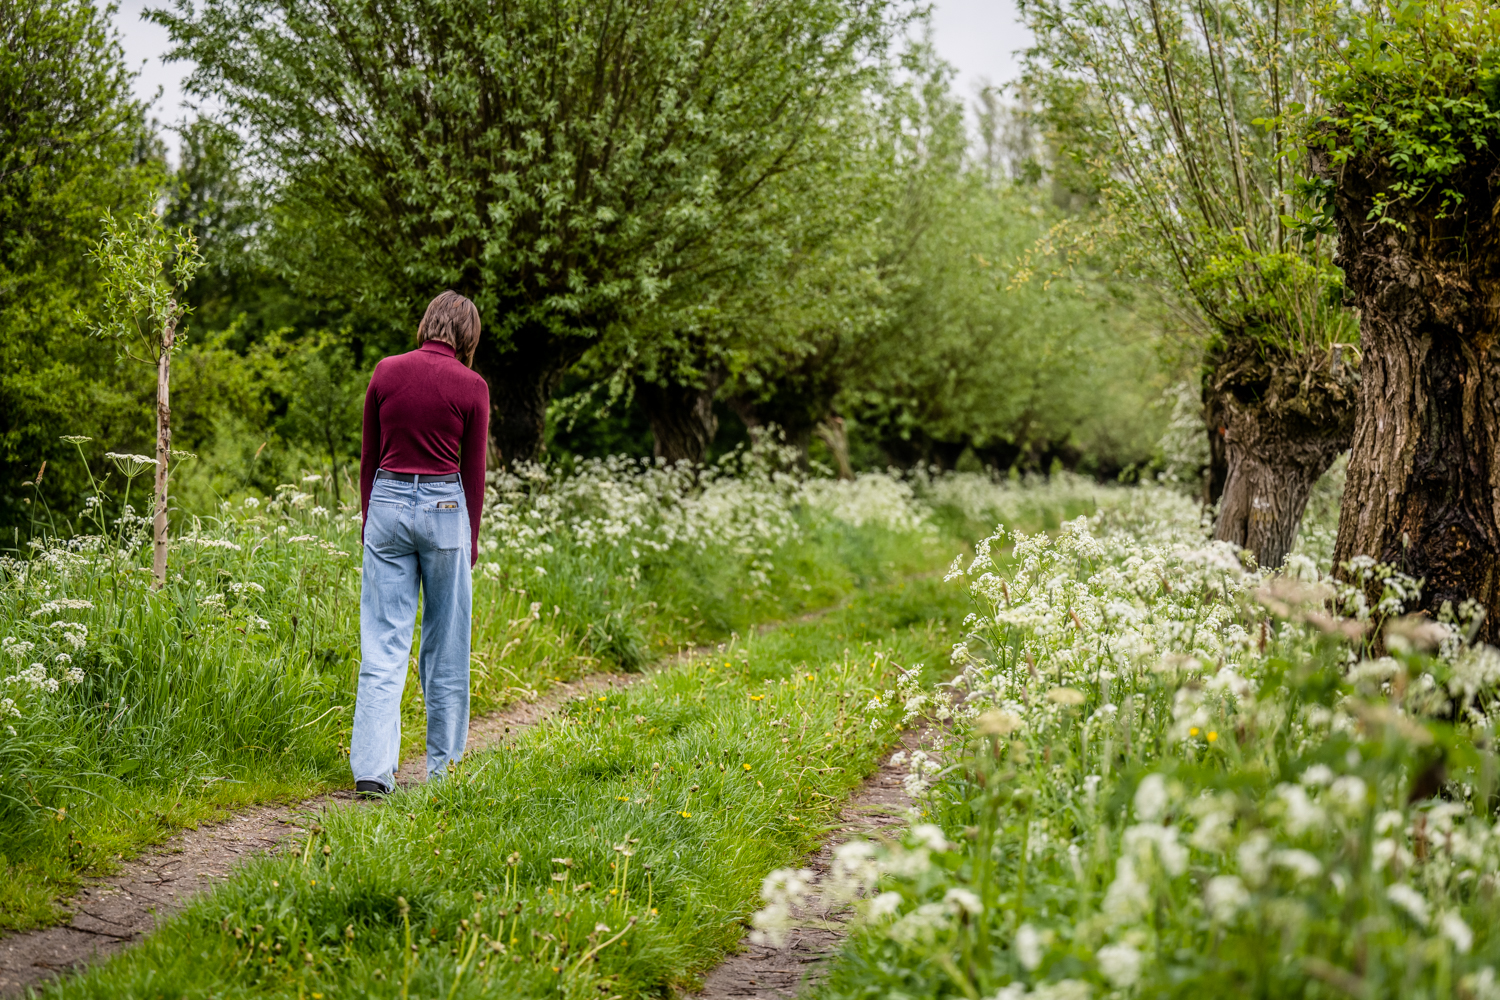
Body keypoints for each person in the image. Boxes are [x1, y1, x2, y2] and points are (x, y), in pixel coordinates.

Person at [351, 291, 489, 797]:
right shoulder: (472, 385)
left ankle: (372, 771)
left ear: (427, 322)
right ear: (468, 334)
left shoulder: (386, 372)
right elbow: (472, 471)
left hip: (386, 501)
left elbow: (369, 455)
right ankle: (443, 774)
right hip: (446, 510)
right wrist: (469, 539)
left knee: (383, 644)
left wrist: (371, 519)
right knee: (447, 646)